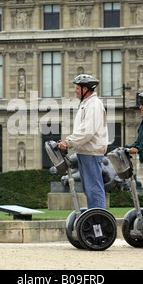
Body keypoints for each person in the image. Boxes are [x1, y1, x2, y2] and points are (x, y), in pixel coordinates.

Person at [58, 74, 108, 209]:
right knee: (89, 190)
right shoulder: (85, 104)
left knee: (94, 190)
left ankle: (99, 222)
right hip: (85, 152)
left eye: (77, 88)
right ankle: (94, 220)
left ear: (86, 89)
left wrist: (68, 142)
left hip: (91, 153)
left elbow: (87, 131)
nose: (75, 91)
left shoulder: (94, 104)